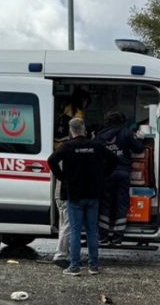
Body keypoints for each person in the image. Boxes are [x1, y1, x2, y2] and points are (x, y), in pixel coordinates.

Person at [48, 118, 116, 276]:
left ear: (71, 130)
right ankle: (93, 266)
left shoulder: (67, 146)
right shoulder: (96, 145)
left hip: (75, 194)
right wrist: (103, 175)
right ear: (84, 129)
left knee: (75, 231)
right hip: (93, 194)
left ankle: (75, 267)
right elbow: (114, 160)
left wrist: (62, 177)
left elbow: (51, 160)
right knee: (93, 231)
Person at [95, 111, 143, 244]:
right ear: (121, 121)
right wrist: (139, 138)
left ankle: (103, 236)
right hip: (123, 173)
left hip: (106, 174)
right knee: (121, 203)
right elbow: (139, 149)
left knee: (105, 203)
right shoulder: (127, 133)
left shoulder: (100, 135)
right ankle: (117, 237)